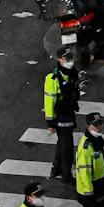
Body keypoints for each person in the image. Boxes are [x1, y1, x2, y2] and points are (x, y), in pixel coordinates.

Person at [41, 47, 79, 181]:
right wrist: (50, 123)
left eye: (70, 58)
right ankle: (66, 175)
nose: (69, 61)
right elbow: (49, 101)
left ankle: (56, 168)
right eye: (66, 58)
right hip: (61, 116)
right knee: (67, 146)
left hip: (69, 112)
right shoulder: (53, 78)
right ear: (59, 59)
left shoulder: (72, 73)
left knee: (62, 142)